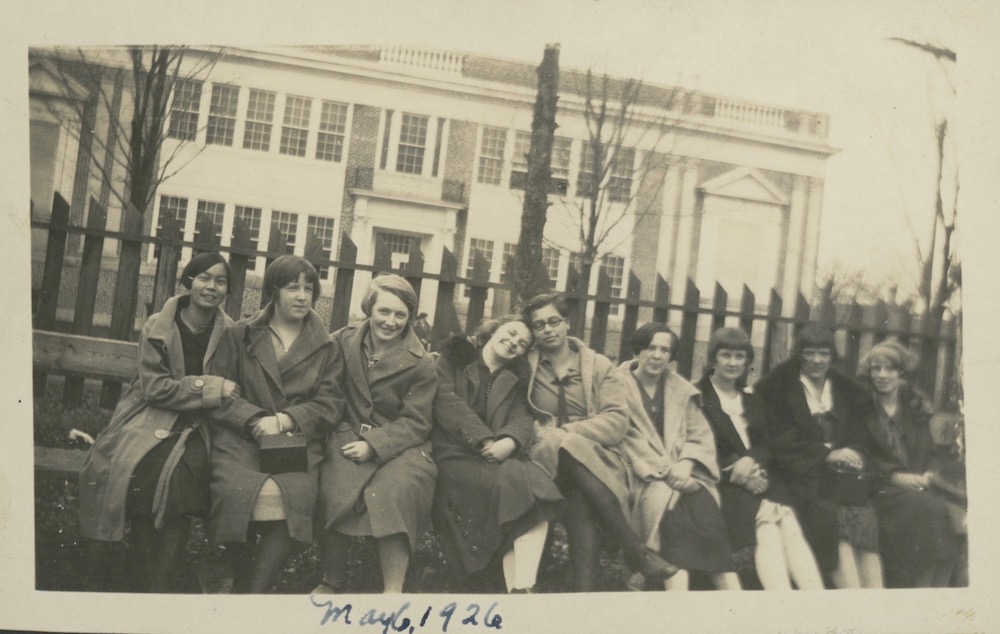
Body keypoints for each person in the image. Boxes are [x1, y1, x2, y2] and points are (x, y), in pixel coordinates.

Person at [79, 252, 238, 592]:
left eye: (220, 281)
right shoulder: (159, 325)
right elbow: (154, 388)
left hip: (201, 424)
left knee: (179, 478)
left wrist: (211, 395)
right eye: (204, 278)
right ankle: (139, 576)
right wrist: (210, 387)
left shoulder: (230, 333)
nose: (211, 287)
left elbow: (233, 391)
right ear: (189, 281)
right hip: (148, 414)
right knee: (137, 469)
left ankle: (158, 584)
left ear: (227, 290)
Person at [521, 293, 677, 592]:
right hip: (541, 457)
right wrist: (548, 435)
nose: (548, 329)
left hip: (597, 460)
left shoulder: (599, 365)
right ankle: (633, 548)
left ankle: (584, 596)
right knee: (563, 450)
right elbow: (517, 414)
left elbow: (617, 421)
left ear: (566, 323)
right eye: (539, 325)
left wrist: (567, 431)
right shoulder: (525, 366)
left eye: (553, 321)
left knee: (579, 500)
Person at [207, 255, 344, 593]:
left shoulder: (327, 346)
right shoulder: (240, 334)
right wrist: (254, 419)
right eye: (292, 287)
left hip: (295, 442)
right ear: (273, 291)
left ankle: (253, 593)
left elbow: (331, 404)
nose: (302, 296)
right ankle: (239, 575)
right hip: (243, 438)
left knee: (297, 495)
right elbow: (219, 393)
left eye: (309, 289)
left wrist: (285, 419)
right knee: (235, 491)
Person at [314, 274, 438, 594]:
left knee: (394, 491)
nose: (390, 321)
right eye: (383, 311)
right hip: (347, 432)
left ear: (410, 316)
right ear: (369, 308)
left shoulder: (421, 362)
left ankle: (392, 590)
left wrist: (375, 444)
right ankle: (333, 580)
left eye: (400, 314)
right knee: (333, 481)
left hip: (403, 444)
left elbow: (417, 422)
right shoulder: (343, 339)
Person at [431, 316, 563, 593]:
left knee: (534, 487)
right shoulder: (453, 358)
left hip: (496, 454)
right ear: (493, 329)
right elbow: (444, 400)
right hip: (453, 452)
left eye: (522, 343)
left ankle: (521, 584)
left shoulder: (515, 378)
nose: (514, 342)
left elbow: (522, 415)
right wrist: (484, 439)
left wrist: (510, 441)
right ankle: (487, 573)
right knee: (508, 486)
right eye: (511, 333)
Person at [756, 323, 884, 589]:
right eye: (809, 353)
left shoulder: (844, 390)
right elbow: (779, 440)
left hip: (840, 477)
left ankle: (873, 596)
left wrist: (852, 452)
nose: (816, 360)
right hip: (798, 475)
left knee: (863, 514)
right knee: (830, 516)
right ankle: (850, 592)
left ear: (831, 357)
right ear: (799, 355)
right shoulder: (780, 391)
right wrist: (826, 454)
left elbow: (858, 432)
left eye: (823, 353)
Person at [616, 322, 741, 591]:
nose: (657, 355)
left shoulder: (679, 389)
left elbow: (699, 435)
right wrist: (668, 471)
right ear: (638, 350)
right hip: (641, 476)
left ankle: (733, 596)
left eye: (665, 350)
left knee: (703, 508)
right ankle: (678, 595)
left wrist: (685, 465)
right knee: (670, 509)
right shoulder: (616, 386)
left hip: (686, 475)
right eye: (651, 348)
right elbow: (625, 439)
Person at [696, 327, 823, 590]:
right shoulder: (698, 397)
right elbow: (697, 447)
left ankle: (814, 597)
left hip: (759, 480)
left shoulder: (751, 399)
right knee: (769, 522)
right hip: (719, 484)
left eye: (740, 357)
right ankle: (782, 600)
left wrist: (752, 460)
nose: (733, 363)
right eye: (726, 355)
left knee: (787, 519)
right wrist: (738, 470)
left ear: (747, 362)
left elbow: (767, 443)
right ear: (713, 358)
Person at [857, 341, 960, 587]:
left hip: (915, 486)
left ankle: (934, 587)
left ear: (901, 373)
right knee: (927, 508)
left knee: (938, 508)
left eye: (890, 369)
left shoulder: (914, 408)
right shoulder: (862, 408)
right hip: (877, 488)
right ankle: (918, 588)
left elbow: (930, 452)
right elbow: (860, 455)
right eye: (876, 369)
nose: (882, 375)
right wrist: (893, 477)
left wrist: (927, 474)